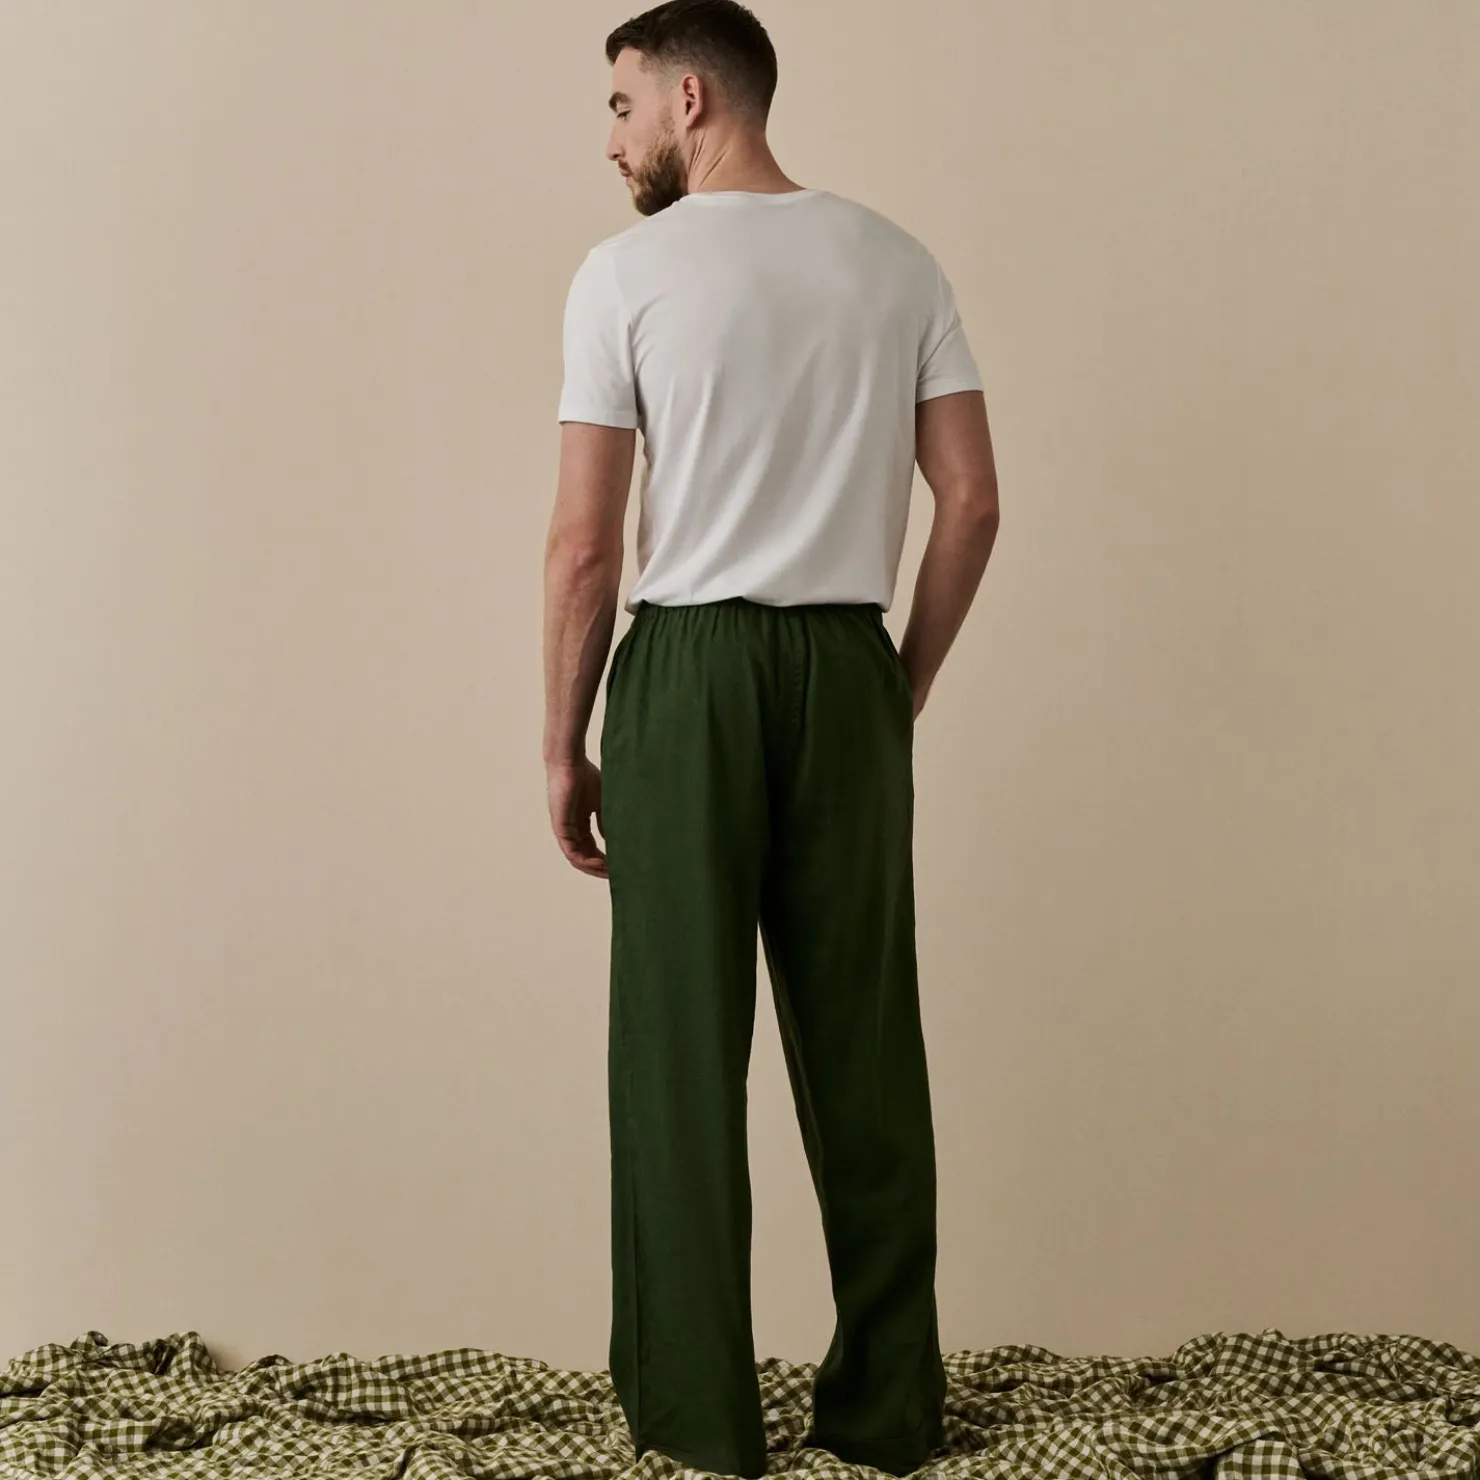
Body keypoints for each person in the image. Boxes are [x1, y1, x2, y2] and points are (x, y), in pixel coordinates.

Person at [542, 2, 999, 1475]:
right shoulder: (898, 260)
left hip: (688, 672)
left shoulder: (626, 273)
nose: (614, 140)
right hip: (845, 664)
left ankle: (702, 1415)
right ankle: (888, 1407)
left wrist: (562, 744)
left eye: (622, 107)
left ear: (690, 98)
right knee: (865, 1041)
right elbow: (973, 502)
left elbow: (583, 548)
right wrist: (895, 684)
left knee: (681, 1048)